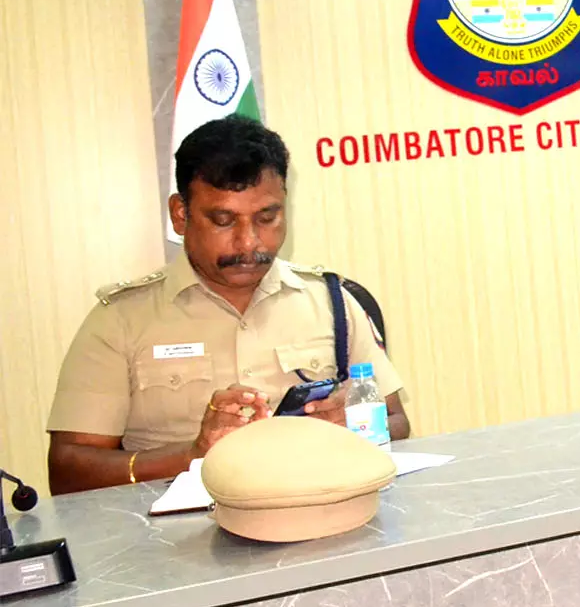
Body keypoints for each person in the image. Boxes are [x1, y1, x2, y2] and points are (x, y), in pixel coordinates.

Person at [46, 116, 409, 495]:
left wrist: (355, 425)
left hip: (319, 511)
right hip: (176, 526)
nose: (249, 242)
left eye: (267, 218)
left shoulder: (331, 301)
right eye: (223, 220)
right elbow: (67, 470)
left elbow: (397, 421)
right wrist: (192, 456)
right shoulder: (121, 319)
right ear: (181, 215)